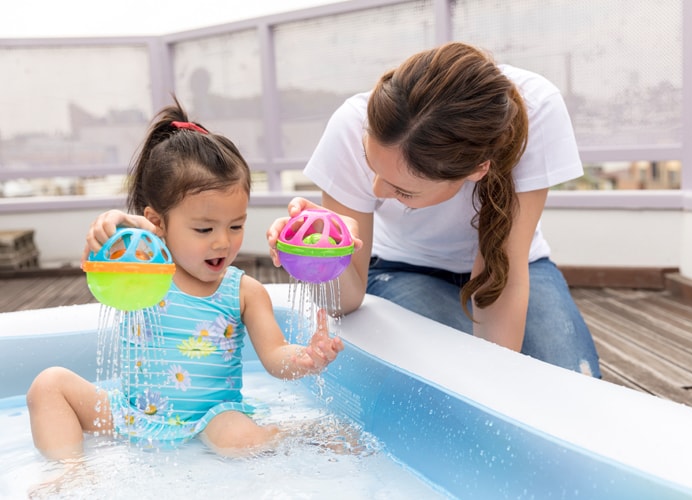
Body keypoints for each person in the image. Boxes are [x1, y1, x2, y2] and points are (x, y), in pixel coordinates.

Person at [26, 100, 344, 461]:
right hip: (131, 413)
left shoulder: (243, 292)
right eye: (204, 228)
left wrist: (305, 357)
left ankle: (297, 436)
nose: (223, 241)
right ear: (157, 223)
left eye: (236, 225)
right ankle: (70, 472)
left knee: (236, 436)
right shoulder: (143, 272)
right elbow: (106, 259)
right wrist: (109, 228)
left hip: (210, 419)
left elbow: (274, 356)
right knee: (48, 385)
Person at [267, 42, 600, 377]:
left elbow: (501, 270)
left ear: (476, 170)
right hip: (404, 268)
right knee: (454, 373)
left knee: (570, 380)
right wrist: (322, 256)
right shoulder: (351, 124)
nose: (376, 191)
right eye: (373, 167)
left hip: (516, 265)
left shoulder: (537, 108)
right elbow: (346, 303)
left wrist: (500, 385)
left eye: (403, 190)